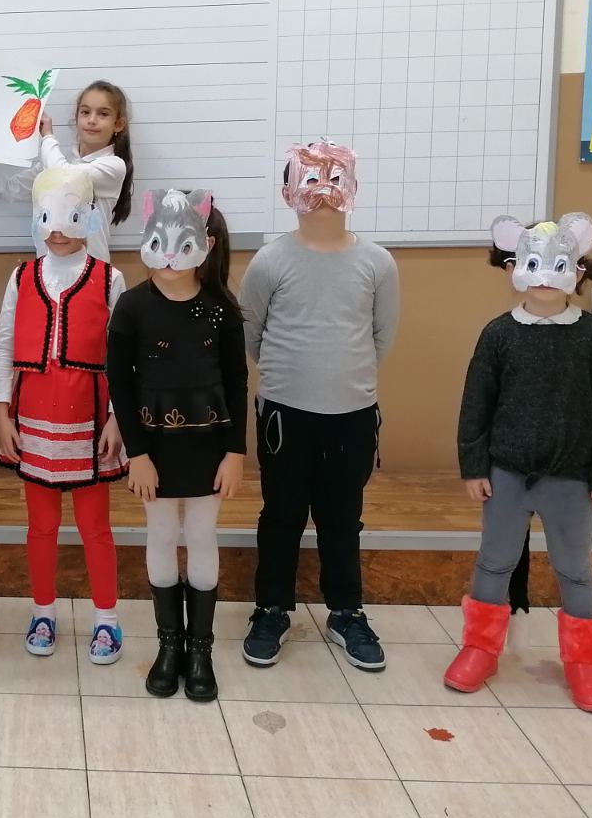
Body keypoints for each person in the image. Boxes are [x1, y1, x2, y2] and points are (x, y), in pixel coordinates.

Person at [445, 213, 592, 713]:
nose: (544, 276)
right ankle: (481, 649)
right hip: (507, 473)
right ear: (513, 268)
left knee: (574, 569)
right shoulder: (499, 334)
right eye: (532, 264)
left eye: (558, 265)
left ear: (578, 270)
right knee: (494, 561)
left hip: (571, 478)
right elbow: (476, 404)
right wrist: (474, 466)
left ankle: (584, 662)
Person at [240, 142, 399, 672]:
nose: (324, 191)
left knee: (342, 517)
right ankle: (271, 608)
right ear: (288, 191)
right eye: (310, 179)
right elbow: (252, 332)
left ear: (354, 187)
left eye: (335, 178)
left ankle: (346, 611)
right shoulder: (271, 260)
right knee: (281, 514)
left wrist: (342, 382)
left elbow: (381, 335)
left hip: (352, 413)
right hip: (285, 414)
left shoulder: (376, 263)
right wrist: (293, 379)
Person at [107, 189, 246, 701]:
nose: (168, 257)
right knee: (163, 534)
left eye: (181, 244)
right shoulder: (132, 306)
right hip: (154, 448)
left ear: (205, 244)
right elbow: (120, 384)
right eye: (158, 243)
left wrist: (235, 452)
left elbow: (237, 383)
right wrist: (137, 454)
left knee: (203, 534)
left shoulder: (220, 309)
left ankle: (200, 649)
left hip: (209, 446)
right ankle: (170, 645)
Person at [0, 164, 127, 664]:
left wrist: (116, 417)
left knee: (96, 526)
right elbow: (4, 344)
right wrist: (1, 412)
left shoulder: (110, 278)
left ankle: (106, 618)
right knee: (41, 525)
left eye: (69, 216)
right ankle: (43, 611)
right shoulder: (21, 276)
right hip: (33, 416)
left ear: (88, 216)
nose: (57, 229)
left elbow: (122, 357)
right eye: (47, 216)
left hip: (89, 420)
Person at [0, 78, 134, 259]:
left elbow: (66, 178)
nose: (92, 120)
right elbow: (9, 189)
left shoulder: (113, 166)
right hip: (47, 270)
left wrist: (48, 136)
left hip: (91, 271)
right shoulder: (55, 161)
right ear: (76, 118)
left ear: (118, 124)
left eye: (103, 114)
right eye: (85, 112)